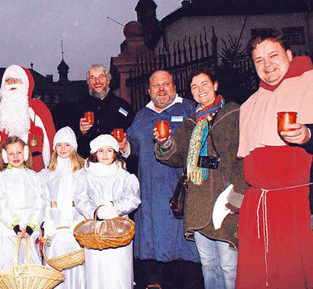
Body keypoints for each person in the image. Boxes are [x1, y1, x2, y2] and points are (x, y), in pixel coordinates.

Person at [154, 68, 248, 289]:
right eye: (194, 87)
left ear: (215, 85)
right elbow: (174, 155)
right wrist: (165, 142)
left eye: (204, 84)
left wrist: (240, 195)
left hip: (225, 200)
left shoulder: (234, 114)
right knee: (207, 264)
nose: (200, 90)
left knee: (228, 267)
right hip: (197, 202)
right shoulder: (191, 123)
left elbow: (245, 155)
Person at [236, 30, 313, 288]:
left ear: (289, 55)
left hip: (300, 207)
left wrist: (308, 135)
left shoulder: (310, 83)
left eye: (273, 55)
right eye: (259, 60)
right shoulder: (249, 104)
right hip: (259, 207)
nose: (267, 64)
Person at [121, 70, 201, 289]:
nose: (162, 89)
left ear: (174, 86)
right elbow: (132, 146)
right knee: (153, 250)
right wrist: (123, 146)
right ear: (149, 91)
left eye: (166, 84)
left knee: (184, 251)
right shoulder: (142, 116)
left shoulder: (188, 109)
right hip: (151, 193)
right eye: (156, 86)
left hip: (181, 191)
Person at [74, 134, 141, 289]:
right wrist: (95, 212)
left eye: (109, 150)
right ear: (94, 153)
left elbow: (133, 198)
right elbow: (80, 199)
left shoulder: (124, 176)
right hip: (95, 231)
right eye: (101, 150)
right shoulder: (86, 176)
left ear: (115, 153)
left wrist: (116, 208)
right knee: (97, 271)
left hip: (119, 231)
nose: (105, 154)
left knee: (119, 271)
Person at [0, 136, 47, 277]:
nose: (15, 157)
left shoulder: (35, 177)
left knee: (31, 271)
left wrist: (31, 226)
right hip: (7, 230)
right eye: (11, 153)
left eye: (19, 152)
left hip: (29, 230)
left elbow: (40, 202)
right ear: (4, 156)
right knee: (8, 271)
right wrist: (14, 224)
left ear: (25, 153)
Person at [39, 127, 87, 289]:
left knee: (75, 267)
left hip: (74, 226)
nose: (63, 149)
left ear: (73, 146)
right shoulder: (47, 173)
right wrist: (48, 223)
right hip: (55, 227)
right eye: (59, 145)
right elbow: (44, 200)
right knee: (55, 267)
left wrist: (78, 223)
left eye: (67, 145)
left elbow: (84, 199)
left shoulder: (82, 171)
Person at [0, 65, 56, 172]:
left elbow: (49, 139)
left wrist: (50, 169)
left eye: (16, 80)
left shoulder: (38, 107)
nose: (12, 83)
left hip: (35, 169)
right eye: (8, 80)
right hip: (4, 170)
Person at [77, 64, 134, 158]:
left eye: (101, 77)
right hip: (89, 162)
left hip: (115, 161)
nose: (97, 81)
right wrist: (81, 132)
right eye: (92, 78)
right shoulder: (80, 106)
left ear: (108, 80)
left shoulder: (121, 105)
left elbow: (133, 138)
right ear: (88, 82)